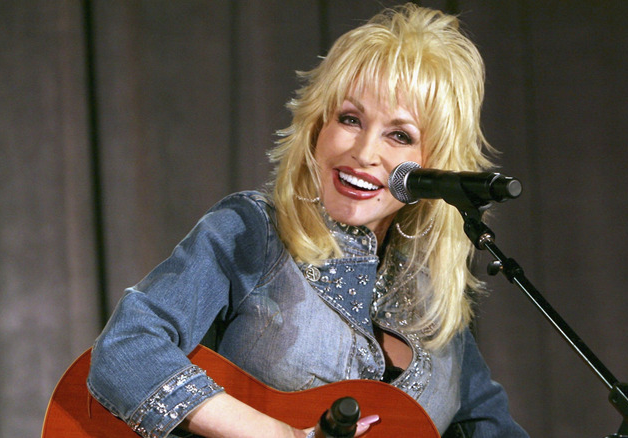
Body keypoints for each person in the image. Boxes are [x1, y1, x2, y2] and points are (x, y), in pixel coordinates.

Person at [87, 4, 529, 438]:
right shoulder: (253, 231)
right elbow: (127, 348)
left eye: (400, 135)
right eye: (350, 119)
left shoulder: (436, 299)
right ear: (317, 128)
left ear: (434, 165)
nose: (365, 152)